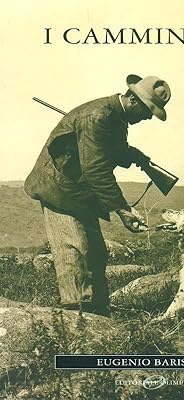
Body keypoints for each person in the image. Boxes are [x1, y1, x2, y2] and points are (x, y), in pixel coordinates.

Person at [24, 74, 171, 316]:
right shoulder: (98, 116)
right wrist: (123, 209)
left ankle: (100, 314)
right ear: (133, 100)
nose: (147, 118)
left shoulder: (116, 117)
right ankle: (76, 316)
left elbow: (109, 149)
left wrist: (134, 156)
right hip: (59, 188)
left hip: (80, 190)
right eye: (147, 111)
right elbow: (97, 169)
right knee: (75, 251)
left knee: (95, 252)